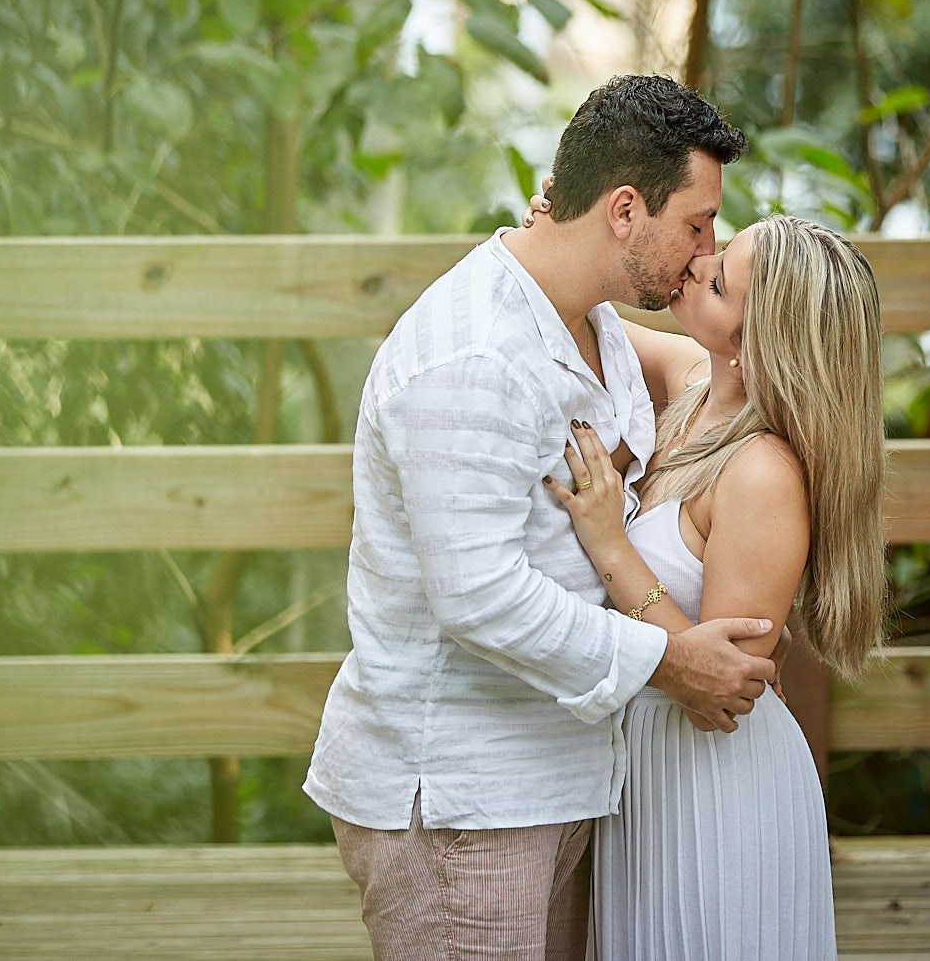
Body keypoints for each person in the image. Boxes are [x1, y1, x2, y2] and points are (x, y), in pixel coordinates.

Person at [304, 75, 783, 961]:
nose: (705, 250)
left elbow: (725, 369)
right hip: (459, 800)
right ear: (626, 210)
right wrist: (669, 659)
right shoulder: (472, 354)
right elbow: (480, 595)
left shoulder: (585, 317)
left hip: (553, 784)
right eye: (697, 223)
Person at [544, 212, 889, 959]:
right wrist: (564, 218)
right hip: (644, 771)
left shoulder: (763, 473)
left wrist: (610, 543)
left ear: (759, 337)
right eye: (713, 249)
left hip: (715, 786)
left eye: (721, 277)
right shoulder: (696, 383)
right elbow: (566, 302)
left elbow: (721, 691)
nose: (697, 264)